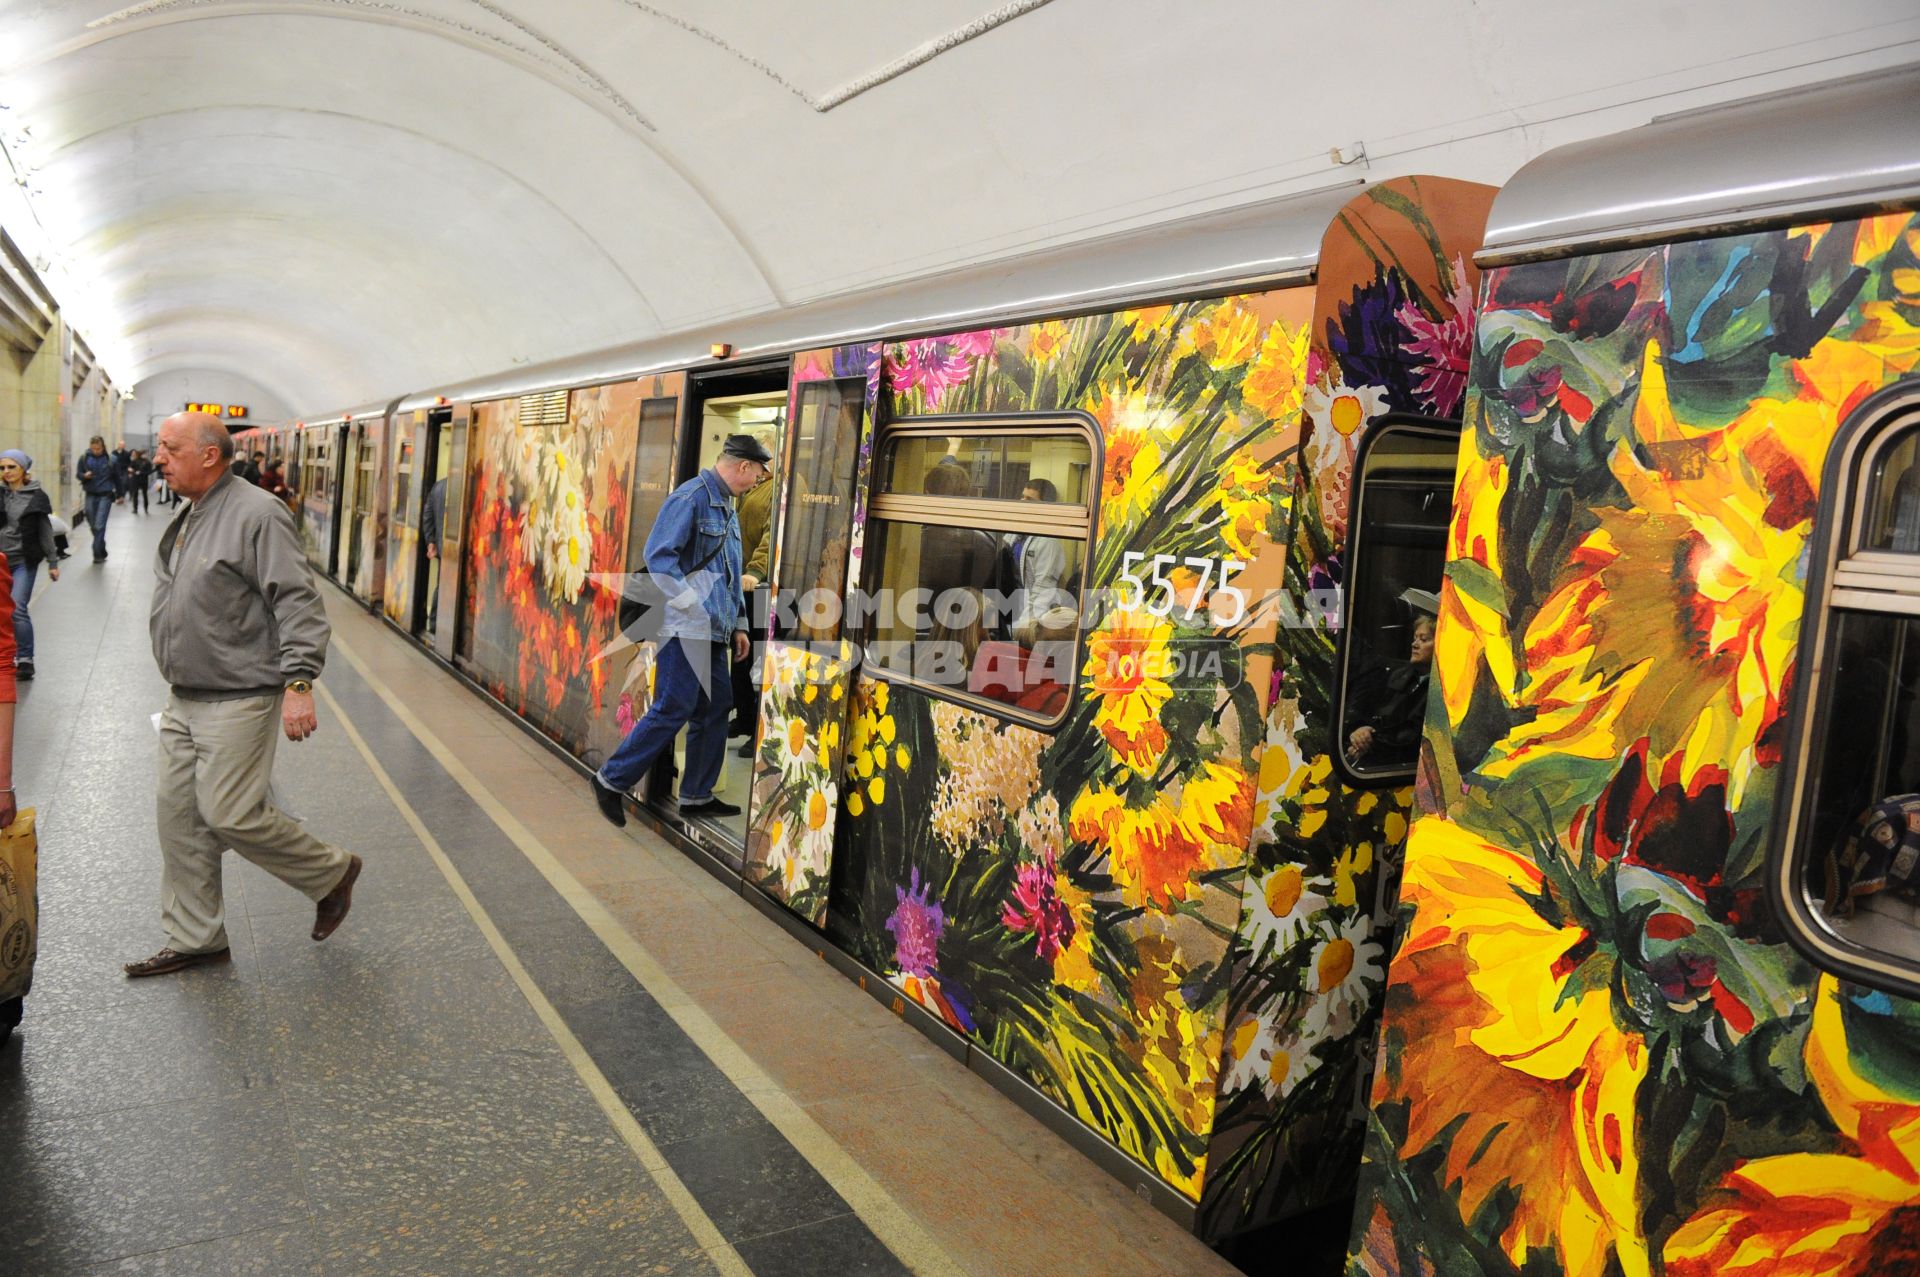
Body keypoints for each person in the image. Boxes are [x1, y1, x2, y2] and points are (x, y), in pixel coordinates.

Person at [124, 411, 362, 977]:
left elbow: (297, 602)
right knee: (179, 820)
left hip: (240, 694)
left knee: (229, 812)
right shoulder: (191, 513)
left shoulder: (258, 513)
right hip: (184, 695)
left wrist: (299, 683)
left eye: (169, 447)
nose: (158, 456)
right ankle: (196, 937)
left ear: (209, 454)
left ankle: (330, 873)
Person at [591, 433, 770, 826]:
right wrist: (691, 605)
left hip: (715, 630)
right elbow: (658, 559)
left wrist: (739, 623)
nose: (758, 481)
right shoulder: (690, 499)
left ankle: (696, 795)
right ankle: (610, 780)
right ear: (743, 466)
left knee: (717, 707)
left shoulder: (727, 506)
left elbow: (730, 572)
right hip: (683, 627)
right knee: (674, 707)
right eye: (757, 472)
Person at [1346, 601, 1437, 768]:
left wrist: (1371, 741)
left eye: (1424, 639)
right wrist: (1361, 732)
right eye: (1415, 638)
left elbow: (1410, 736)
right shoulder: (1398, 676)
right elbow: (1374, 712)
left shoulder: (1441, 691)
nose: (1414, 644)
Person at [732, 439, 776, 751]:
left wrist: (756, 571)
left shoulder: (776, 489)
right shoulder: (747, 489)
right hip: (741, 585)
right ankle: (745, 717)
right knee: (741, 659)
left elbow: (772, 536)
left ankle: (757, 732)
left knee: (759, 660)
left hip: (759, 587)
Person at [0, 451, 58, 681]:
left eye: (11, 467)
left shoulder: (36, 496)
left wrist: (53, 562)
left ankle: (25, 659)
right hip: (1, 560)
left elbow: (45, 530)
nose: (6, 472)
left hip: (24, 560)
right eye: (2, 468)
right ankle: (6, 655)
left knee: (17, 608)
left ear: (23, 469)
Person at [1006, 477, 1072, 638]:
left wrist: (1022, 630)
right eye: (1022, 497)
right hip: (1008, 610)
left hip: (1029, 621)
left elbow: (1042, 592)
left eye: (1029, 499)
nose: (1022, 502)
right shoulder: (1013, 534)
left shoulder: (1049, 543)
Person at [76, 435, 122, 562]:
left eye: (98, 449)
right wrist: (84, 476)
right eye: (93, 448)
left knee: (99, 524)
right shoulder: (84, 458)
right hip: (90, 494)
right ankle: (101, 547)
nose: (96, 451)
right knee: (92, 522)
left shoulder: (111, 460)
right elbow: (78, 474)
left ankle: (97, 554)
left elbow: (117, 478)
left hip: (105, 495)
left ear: (103, 447)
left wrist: (120, 494)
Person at [420, 474, 446, 632]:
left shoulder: (438, 487)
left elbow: (427, 515)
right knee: (444, 586)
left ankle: (434, 623)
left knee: (442, 584)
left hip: (443, 547)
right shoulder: (464, 487)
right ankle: (436, 622)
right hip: (455, 550)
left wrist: (431, 541)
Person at [125, 449, 155, 514]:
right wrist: (131, 471)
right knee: (135, 494)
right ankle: (135, 509)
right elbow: (129, 468)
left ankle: (146, 508)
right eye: (144, 454)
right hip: (136, 479)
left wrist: (141, 473)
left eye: (146, 454)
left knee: (145, 494)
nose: (145, 455)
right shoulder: (135, 461)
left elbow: (149, 471)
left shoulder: (147, 462)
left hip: (144, 480)